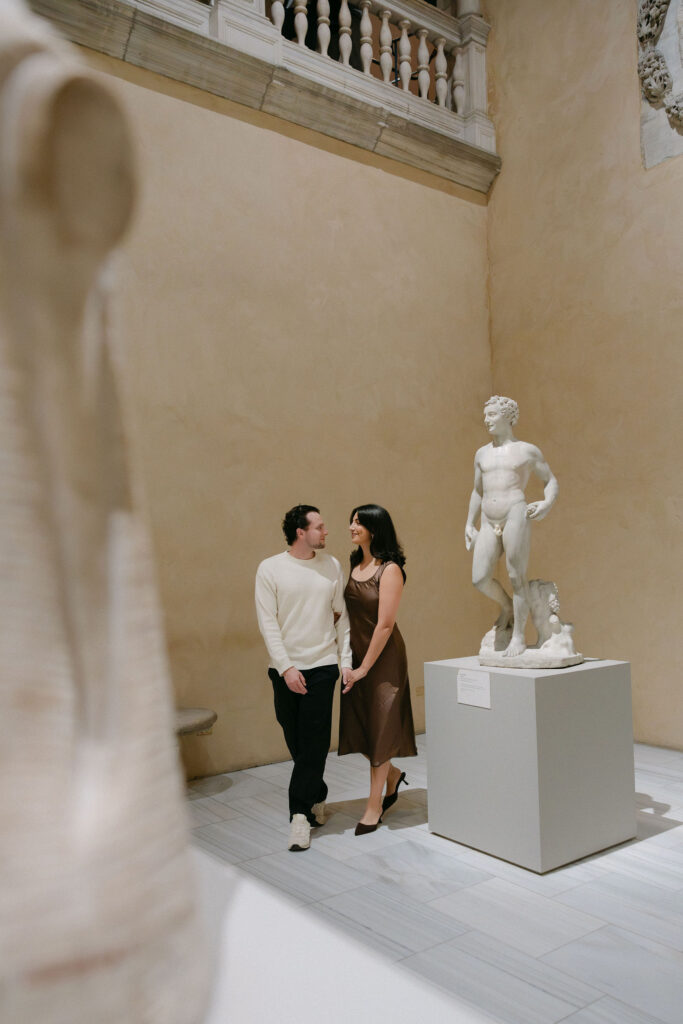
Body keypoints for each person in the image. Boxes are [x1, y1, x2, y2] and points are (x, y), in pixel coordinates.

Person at [255, 505, 352, 852]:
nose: (326, 532)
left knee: (313, 740)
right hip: (285, 668)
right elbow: (268, 623)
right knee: (296, 739)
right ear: (301, 531)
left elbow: (342, 617)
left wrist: (344, 661)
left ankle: (299, 816)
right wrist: (286, 667)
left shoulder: (332, 566)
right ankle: (318, 794)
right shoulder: (271, 569)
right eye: (320, 527)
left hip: (323, 665)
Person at [338, 504, 417, 835]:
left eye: (359, 522)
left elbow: (384, 625)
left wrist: (364, 669)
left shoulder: (390, 570)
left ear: (375, 528)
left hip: (382, 662)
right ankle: (394, 776)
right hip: (357, 659)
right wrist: (348, 662)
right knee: (368, 730)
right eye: (352, 520)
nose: (352, 526)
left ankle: (373, 808)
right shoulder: (356, 564)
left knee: (382, 730)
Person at [465, 396, 559, 657]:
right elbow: (477, 490)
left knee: (517, 576)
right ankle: (506, 606)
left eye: (492, 415)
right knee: (479, 578)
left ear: (508, 416)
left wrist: (547, 503)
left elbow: (550, 480)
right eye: (486, 415)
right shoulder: (481, 453)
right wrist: (469, 522)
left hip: (515, 512)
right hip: (487, 516)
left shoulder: (526, 450)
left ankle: (518, 636)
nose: (487, 420)